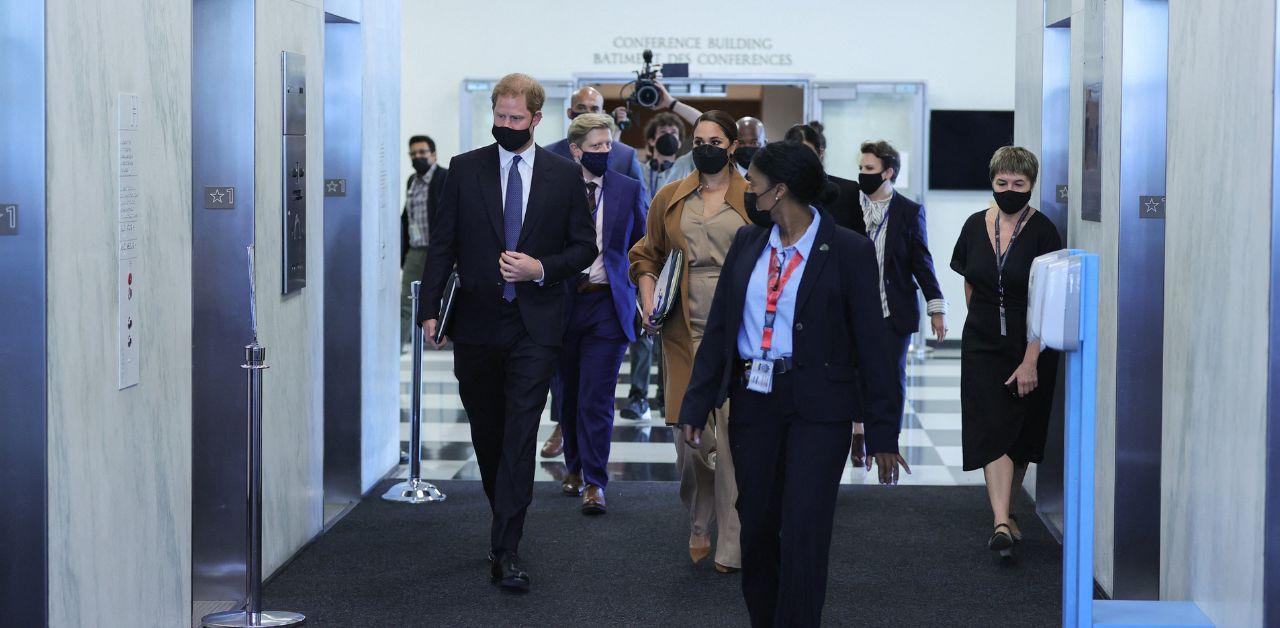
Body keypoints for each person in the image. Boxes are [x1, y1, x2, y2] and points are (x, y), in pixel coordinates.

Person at [678, 141, 907, 627]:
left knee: (803, 529)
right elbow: (721, 329)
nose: (748, 193)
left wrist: (883, 430)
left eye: (755, 185)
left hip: (819, 410)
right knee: (756, 526)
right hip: (754, 402)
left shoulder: (848, 249)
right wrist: (695, 406)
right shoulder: (748, 243)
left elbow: (873, 345)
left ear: (779, 190)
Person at [419, 73, 597, 592]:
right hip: (476, 322)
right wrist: (431, 308)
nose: (507, 126)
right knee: (488, 432)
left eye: (516, 119)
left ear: (537, 119)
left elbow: (583, 248)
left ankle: (507, 549)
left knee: (521, 433)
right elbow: (442, 246)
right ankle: (505, 522)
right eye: (500, 117)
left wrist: (538, 267)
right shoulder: (465, 169)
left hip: (534, 326)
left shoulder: (563, 176)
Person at [629, 110, 748, 574]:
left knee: (734, 443)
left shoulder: (753, 197)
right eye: (698, 140)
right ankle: (699, 520)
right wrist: (648, 298)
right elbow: (646, 253)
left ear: (732, 145)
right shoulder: (669, 197)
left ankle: (731, 544)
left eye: (715, 140)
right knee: (691, 445)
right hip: (682, 329)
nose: (705, 147)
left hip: (737, 332)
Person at [949, 146, 1061, 557]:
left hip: (1030, 342)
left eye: (1019, 184)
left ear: (1031, 185)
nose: (1009, 190)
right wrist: (981, 322)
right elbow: (969, 279)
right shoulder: (974, 224)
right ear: (991, 182)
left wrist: (1030, 358)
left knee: (1020, 430)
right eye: (1002, 183)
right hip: (981, 341)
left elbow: (1049, 302)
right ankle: (1000, 520)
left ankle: (1008, 511)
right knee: (990, 426)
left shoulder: (1044, 230)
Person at [541, 85, 648, 458]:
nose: (603, 151)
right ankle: (572, 457)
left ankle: (595, 479)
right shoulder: (548, 160)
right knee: (566, 388)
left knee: (598, 393)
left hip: (606, 297)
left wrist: (642, 295)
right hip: (561, 298)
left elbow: (642, 237)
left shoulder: (625, 161)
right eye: (581, 108)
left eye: (606, 145)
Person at [847, 140, 948, 466]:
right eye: (861, 168)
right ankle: (858, 435)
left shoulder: (908, 211)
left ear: (888, 172)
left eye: (870, 169)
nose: (863, 174)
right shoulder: (849, 206)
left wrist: (936, 306)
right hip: (854, 311)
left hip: (893, 310)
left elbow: (922, 261)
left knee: (890, 380)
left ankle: (886, 448)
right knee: (856, 378)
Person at [400, 134, 448, 350]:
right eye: (413, 154)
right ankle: (398, 347)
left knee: (443, 300)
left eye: (422, 153)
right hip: (415, 251)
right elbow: (407, 216)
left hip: (438, 252)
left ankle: (443, 341)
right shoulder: (412, 181)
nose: (417, 157)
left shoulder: (445, 178)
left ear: (433, 155)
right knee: (406, 302)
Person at [784, 122, 862, 233]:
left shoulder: (848, 191)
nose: (802, 160)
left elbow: (859, 241)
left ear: (820, 153)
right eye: (796, 154)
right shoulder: (779, 192)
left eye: (808, 153)